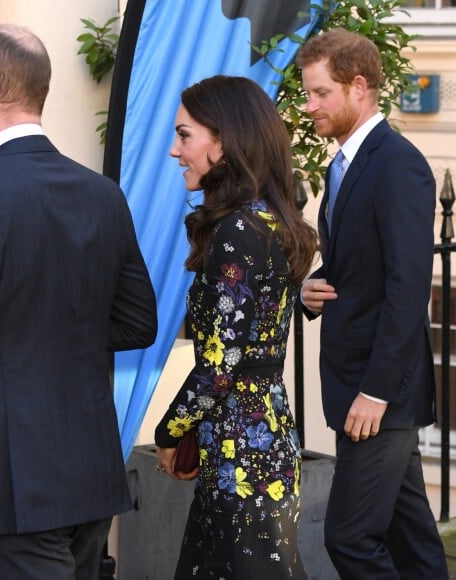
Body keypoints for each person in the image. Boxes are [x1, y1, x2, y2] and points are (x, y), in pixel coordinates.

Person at [0, 24, 157, 579]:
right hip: (92, 477)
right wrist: (49, 332)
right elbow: (138, 321)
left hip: (14, 488)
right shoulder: (104, 195)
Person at [297, 28, 449, 579]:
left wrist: (376, 392)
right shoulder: (346, 165)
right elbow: (360, 264)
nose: (310, 106)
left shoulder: (398, 164)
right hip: (362, 389)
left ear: (358, 87)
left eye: (320, 94)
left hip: (379, 395)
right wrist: (313, 289)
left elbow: (408, 289)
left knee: (350, 539)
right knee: (412, 543)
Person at [154, 75, 318, 579]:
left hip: (241, 456)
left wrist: (168, 430)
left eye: (185, 136)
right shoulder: (266, 218)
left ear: (222, 143)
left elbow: (219, 367)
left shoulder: (236, 230)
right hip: (260, 440)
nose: (174, 151)